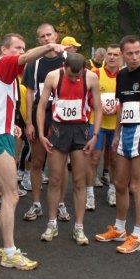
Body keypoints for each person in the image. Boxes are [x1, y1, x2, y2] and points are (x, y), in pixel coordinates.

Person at [0, 33, 67, 270]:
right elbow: (26, 58)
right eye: (16, 47)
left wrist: (9, 123)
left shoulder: (1, 75)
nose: (21, 51)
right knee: (12, 195)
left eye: (22, 47)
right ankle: (9, 253)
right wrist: (48, 46)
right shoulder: (5, 63)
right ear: (4, 50)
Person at [95, 35, 140, 253]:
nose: (134, 57)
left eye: (138, 53)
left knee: (137, 186)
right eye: (130, 53)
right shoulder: (123, 75)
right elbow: (122, 106)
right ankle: (119, 229)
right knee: (119, 183)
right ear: (123, 55)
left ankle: (137, 236)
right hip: (125, 131)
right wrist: (116, 133)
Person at [37, 52, 102, 246]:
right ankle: (51, 223)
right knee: (55, 179)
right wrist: (41, 134)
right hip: (58, 130)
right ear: (64, 66)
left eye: (77, 76)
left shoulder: (91, 77)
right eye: (71, 76)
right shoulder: (53, 76)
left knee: (79, 181)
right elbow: (41, 107)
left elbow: (97, 107)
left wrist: (95, 135)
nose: (74, 79)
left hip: (80, 130)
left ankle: (79, 227)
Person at [23, 23, 69, 222]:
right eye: (41, 37)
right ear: (39, 41)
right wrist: (28, 123)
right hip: (40, 116)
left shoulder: (69, 60)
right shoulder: (34, 63)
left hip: (63, 118)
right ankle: (36, 204)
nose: (46, 39)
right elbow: (29, 94)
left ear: (56, 36)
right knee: (37, 161)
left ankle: (60, 204)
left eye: (49, 35)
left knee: (60, 165)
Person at [85, 44, 122, 210]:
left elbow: (127, 98)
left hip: (116, 124)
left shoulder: (124, 76)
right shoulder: (96, 74)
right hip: (96, 122)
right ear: (105, 56)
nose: (112, 57)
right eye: (109, 54)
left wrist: (117, 108)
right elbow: (88, 96)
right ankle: (89, 193)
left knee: (115, 159)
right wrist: (98, 105)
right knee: (94, 158)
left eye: (115, 54)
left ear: (121, 57)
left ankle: (112, 190)